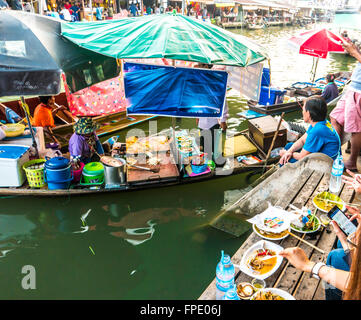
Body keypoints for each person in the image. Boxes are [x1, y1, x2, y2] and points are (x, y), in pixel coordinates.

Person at [279, 95, 340, 165]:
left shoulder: (318, 130)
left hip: (326, 164)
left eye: (303, 109)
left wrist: (286, 153)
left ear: (308, 113)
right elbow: (302, 140)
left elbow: (303, 157)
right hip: (321, 155)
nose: (302, 112)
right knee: (289, 146)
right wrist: (289, 151)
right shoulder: (319, 123)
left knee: (284, 162)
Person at [329, 40, 361, 172]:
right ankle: (337, 156)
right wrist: (354, 51)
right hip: (352, 87)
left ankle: (352, 162)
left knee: (356, 128)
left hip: (359, 91)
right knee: (335, 117)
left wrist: (355, 53)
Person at [195, 63, 228, 163]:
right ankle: (209, 164)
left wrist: (223, 120)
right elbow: (196, 102)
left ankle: (215, 163)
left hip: (212, 121)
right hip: (205, 122)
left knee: (213, 146)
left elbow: (222, 102)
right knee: (207, 146)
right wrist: (197, 116)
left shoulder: (214, 83)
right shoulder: (200, 84)